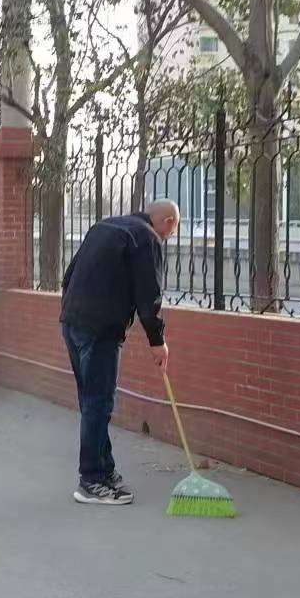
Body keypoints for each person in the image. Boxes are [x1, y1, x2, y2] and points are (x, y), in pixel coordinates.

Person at [59, 200, 179, 506]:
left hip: (72, 322)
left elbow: (69, 275)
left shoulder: (104, 226)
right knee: (98, 403)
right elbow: (149, 293)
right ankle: (91, 480)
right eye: (173, 229)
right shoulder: (146, 238)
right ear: (166, 221)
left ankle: (104, 469)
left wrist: (71, 311)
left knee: (91, 401)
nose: (170, 236)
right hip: (101, 329)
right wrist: (157, 340)